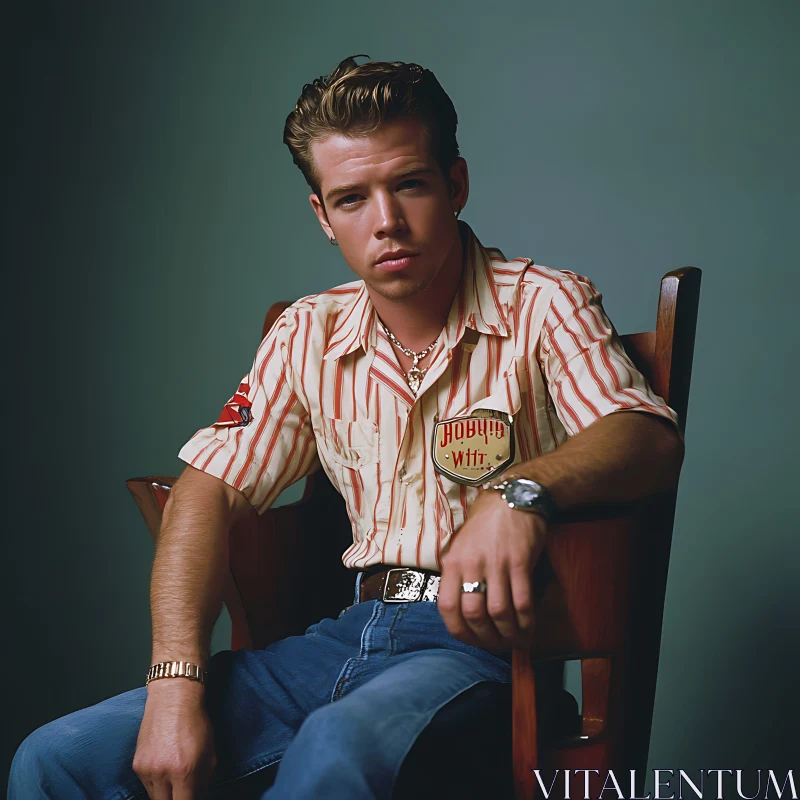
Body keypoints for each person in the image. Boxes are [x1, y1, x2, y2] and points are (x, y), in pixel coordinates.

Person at [8, 55, 684, 800]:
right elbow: (206, 487)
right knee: (57, 756)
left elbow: (643, 434)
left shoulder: (546, 304)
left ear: (455, 185)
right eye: (352, 199)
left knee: (335, 747)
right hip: (337, 639)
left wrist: (519, 492)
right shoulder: (307, 332)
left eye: (410, 185)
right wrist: (175, 685)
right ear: (323, 217)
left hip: (486, 654)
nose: (386, 222)